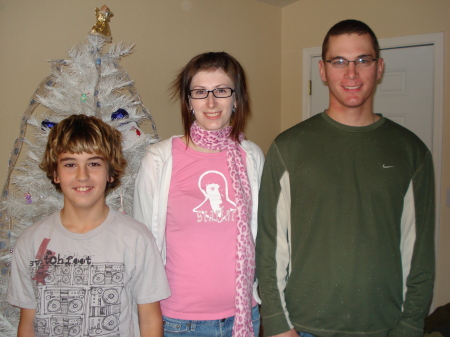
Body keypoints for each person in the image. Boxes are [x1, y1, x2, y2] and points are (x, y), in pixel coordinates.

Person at [256, 19, 435, 337]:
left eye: (362, 60)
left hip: (386, 327)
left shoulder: (411, 152)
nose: (351, 74)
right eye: (339, 61)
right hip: (303, 327)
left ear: (379, 68)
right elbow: (270, 247)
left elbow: (419, 253)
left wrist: (410, 325)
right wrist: (277, 324)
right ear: (323, 71)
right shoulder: (289, 148)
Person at [133, 51, 264, 337]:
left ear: (237, 98)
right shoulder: (159, 159)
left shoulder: (252, 157)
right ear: (189, 101)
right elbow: (144, 248)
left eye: (221, 90)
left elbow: (263, 235)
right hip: (179, 323)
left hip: (243, 317)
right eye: (200, 92)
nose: (211, 102)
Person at [7, 114, 170, 337]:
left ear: (110, 172)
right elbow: (27, 323)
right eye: (70, 164)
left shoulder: (135, 239)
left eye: (93, 163)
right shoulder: (35, 242)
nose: (82, 176)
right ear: (55, 173)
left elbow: (150, 320)